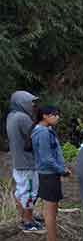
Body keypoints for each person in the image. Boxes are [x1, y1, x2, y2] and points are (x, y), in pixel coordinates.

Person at [33, 105, 71, 241]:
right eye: (54, 115)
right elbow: (47, 158)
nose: (57, 117)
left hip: (48, 174)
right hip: (49, 175)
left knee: (51, 210)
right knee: (50, 211)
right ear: (45, 116)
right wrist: (62, 170)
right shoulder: (42, 133)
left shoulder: (43, 130)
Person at [6, 91, 43, 233]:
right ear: (22, 102)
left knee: (21, 191)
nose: (34, 105)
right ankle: (28, 222)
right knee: (30, 192)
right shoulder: (23, 118)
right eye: (31, 102)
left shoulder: (11, 116)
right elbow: (35, 136)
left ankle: (25, 217)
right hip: (28, 162)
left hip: (18, 160)